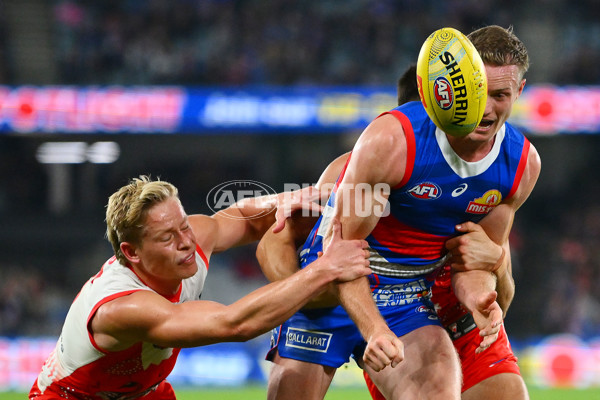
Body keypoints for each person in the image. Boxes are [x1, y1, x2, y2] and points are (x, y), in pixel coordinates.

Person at [259, 25, 541, 399]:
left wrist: (478, 296)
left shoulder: (520, 165)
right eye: (478, 94)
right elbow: (340, 251)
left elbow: (472, 258)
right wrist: (372, 327)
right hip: (329, 287)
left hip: (406, 294)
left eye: (501, 95)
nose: (486, 109)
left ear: (519, 92)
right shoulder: (392, 142)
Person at [29, 176, 372, 399]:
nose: (187, 243)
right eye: (167, 237)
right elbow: (234, 324)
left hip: (141, 392)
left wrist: (283, 200)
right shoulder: (122, 307)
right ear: (131, 253)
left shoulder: (189, 240)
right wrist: (325, 269)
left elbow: (242, 217)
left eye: (184, 226)